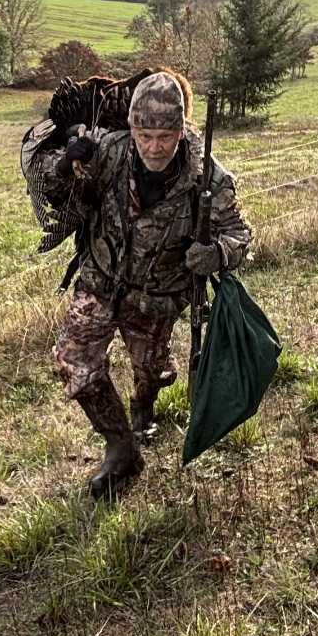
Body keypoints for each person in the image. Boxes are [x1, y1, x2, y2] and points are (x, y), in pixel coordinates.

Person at [38, 71, 251, 498]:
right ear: (132, 128)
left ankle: (144, 404)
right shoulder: (108, 151)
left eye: (166, 136)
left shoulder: (208, 178)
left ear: (181, 130)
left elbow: (240, 234)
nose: (155, 146)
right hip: (100, 282)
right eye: (145, 134)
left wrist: (217, 254)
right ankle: (121, 447)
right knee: (73, 361)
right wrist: (66, 162)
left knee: (149, 371)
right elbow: (52, 190)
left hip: (157, 299)